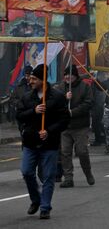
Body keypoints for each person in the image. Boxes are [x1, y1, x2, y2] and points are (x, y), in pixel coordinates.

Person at [16, 64, 70, 219]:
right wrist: (34, 111)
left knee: (48, 176)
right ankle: (36, 200)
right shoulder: (27, 97)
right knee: (26, 172)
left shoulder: (58, 97)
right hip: (30, 142)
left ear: (43, 80)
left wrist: (49, 131)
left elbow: (65, 119)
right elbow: (19, 115)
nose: (31, 81)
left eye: (34, 78)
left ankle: (45, 207)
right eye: (30, 78)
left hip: (49, 144)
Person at [56, 65, 95, 188]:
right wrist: (64, 98)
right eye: (66, 74)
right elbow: (54, 102)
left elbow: (88, 103)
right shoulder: (60, 87)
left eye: (70, 74)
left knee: (82, 151)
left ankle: (88, 173)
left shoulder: (85, 87)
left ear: (75, 75)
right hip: (65, 126)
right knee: (65, 152)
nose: (67, 77)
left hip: (80, 126)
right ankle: (68, 178)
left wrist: (72, 112)